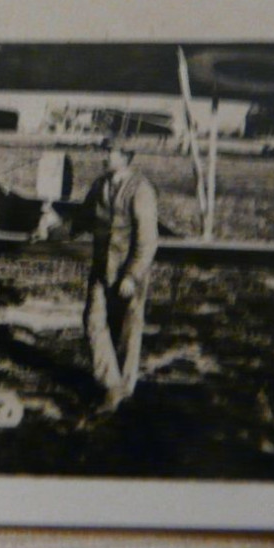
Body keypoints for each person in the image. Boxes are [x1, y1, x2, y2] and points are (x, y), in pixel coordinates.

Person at [79, 137, 159, 412]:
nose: (104, 156)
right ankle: (111, 386)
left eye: (109, 152)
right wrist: (51, 226)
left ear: (125, 157)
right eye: (104, 150)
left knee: (127, 332)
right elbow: (81, 220)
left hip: (128, 272)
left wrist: (132, 276)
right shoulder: (99, 185)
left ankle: (124, 391)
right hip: (101, 269)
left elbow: (148, 240)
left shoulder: (141, 190)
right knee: (93, 322)